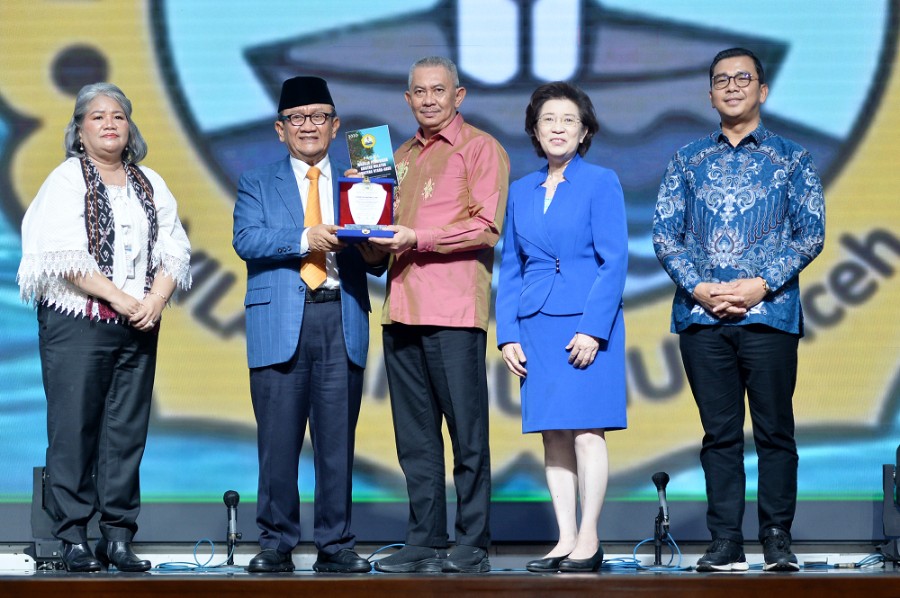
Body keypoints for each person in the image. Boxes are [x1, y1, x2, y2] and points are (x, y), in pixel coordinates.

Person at [652, 47, 825, 572]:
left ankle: (776, 538)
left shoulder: (792, 159)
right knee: (719, 436)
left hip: (769, 315)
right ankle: (726, 541)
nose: (731, 86)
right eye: (721, 80)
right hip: (701, 318)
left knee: (775, 433)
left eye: (742, 78)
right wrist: (699, 287)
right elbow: (665, 234)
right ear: (709, 94)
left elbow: (810, 233)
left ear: (762, 91)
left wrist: (760, 286)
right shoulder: (686, 160)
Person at [17, 83, 192, 572]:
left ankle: (117, 536)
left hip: (139, 323)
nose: (110, 123)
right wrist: (120, 298)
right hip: (79, 321)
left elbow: (175, 248)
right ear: (79, 130)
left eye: (118, 115)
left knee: (126, 433)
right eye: (97, 116)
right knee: (74, 429)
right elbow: (64, 255)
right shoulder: (66, 180)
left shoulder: (149, 182)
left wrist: (155, 300)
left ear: (130, 127)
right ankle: (72, 536)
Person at [232, 76, 384, 574]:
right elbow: (247, 240)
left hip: (340, 315)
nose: (308, 126)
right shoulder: (257, 182)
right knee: (277, 441)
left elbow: (378, 260)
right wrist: (305, 237)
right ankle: (276, 543)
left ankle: (335, 544)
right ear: (280, 129)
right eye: (297, 118)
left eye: (319, 116)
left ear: (336, 126)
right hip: (280, 321)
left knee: (337, 441)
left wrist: (375, 237)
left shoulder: (361, 182)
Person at [366, 56, 509, 574]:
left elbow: (486, 227)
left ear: (458, 95)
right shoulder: (395, 157)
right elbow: (380, 241)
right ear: (408, 99)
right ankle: (424, 538)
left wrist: (417, 237)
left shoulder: (481, 148)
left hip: (453, 310)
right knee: (415, 438)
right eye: (419, 92)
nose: (429, 100)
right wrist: (362, 230)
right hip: (401, 308)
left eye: (438, 90)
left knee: (467, 434)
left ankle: (472, 541)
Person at [495, 82, 628, 573]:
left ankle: (589, 538)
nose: (558, 128)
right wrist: (508, 332)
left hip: (586, 323)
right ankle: (565, 537)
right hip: (535, 324)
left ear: (584, 131)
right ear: (534, 130)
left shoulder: (601, 182)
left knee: (588, 432)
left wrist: (594, 330)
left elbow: (614, 261)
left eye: (569, 120)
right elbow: (511, 267)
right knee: (552, 434)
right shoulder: (520, 190)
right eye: (548, 119)